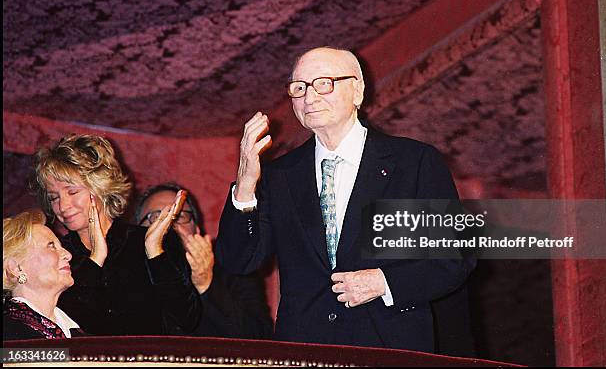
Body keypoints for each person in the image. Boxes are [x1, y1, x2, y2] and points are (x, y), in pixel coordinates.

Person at [216, 47, 476, 355]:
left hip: (389, 347)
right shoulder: (280, 176)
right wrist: (246, 184)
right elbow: (238, 261)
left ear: (358, 91)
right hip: (305, 353)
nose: (309, 98)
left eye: (324, 83)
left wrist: (384, 282)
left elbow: (453, 258)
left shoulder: (411, 162)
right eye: (299, 88)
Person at [34, 134, 201, 335]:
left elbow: (186, 320)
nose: (63, 206)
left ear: (101, 186)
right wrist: (94, 261)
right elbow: (61, 327)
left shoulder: (151, 242)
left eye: (72, 192)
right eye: (54, 197)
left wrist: (155, 252)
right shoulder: (56, 255)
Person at [134, 183, 272, 339]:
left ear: (197, 229)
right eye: (156, 217)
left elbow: (259, 338)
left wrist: (206, 284)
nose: (169, 225)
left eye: (179, 216)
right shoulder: (125, 275)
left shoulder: (233, 265)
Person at [3, 209, 83, 340]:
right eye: (51, 246)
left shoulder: (78, 334)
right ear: (16, 268)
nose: (68, 255)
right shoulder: (9, 336)